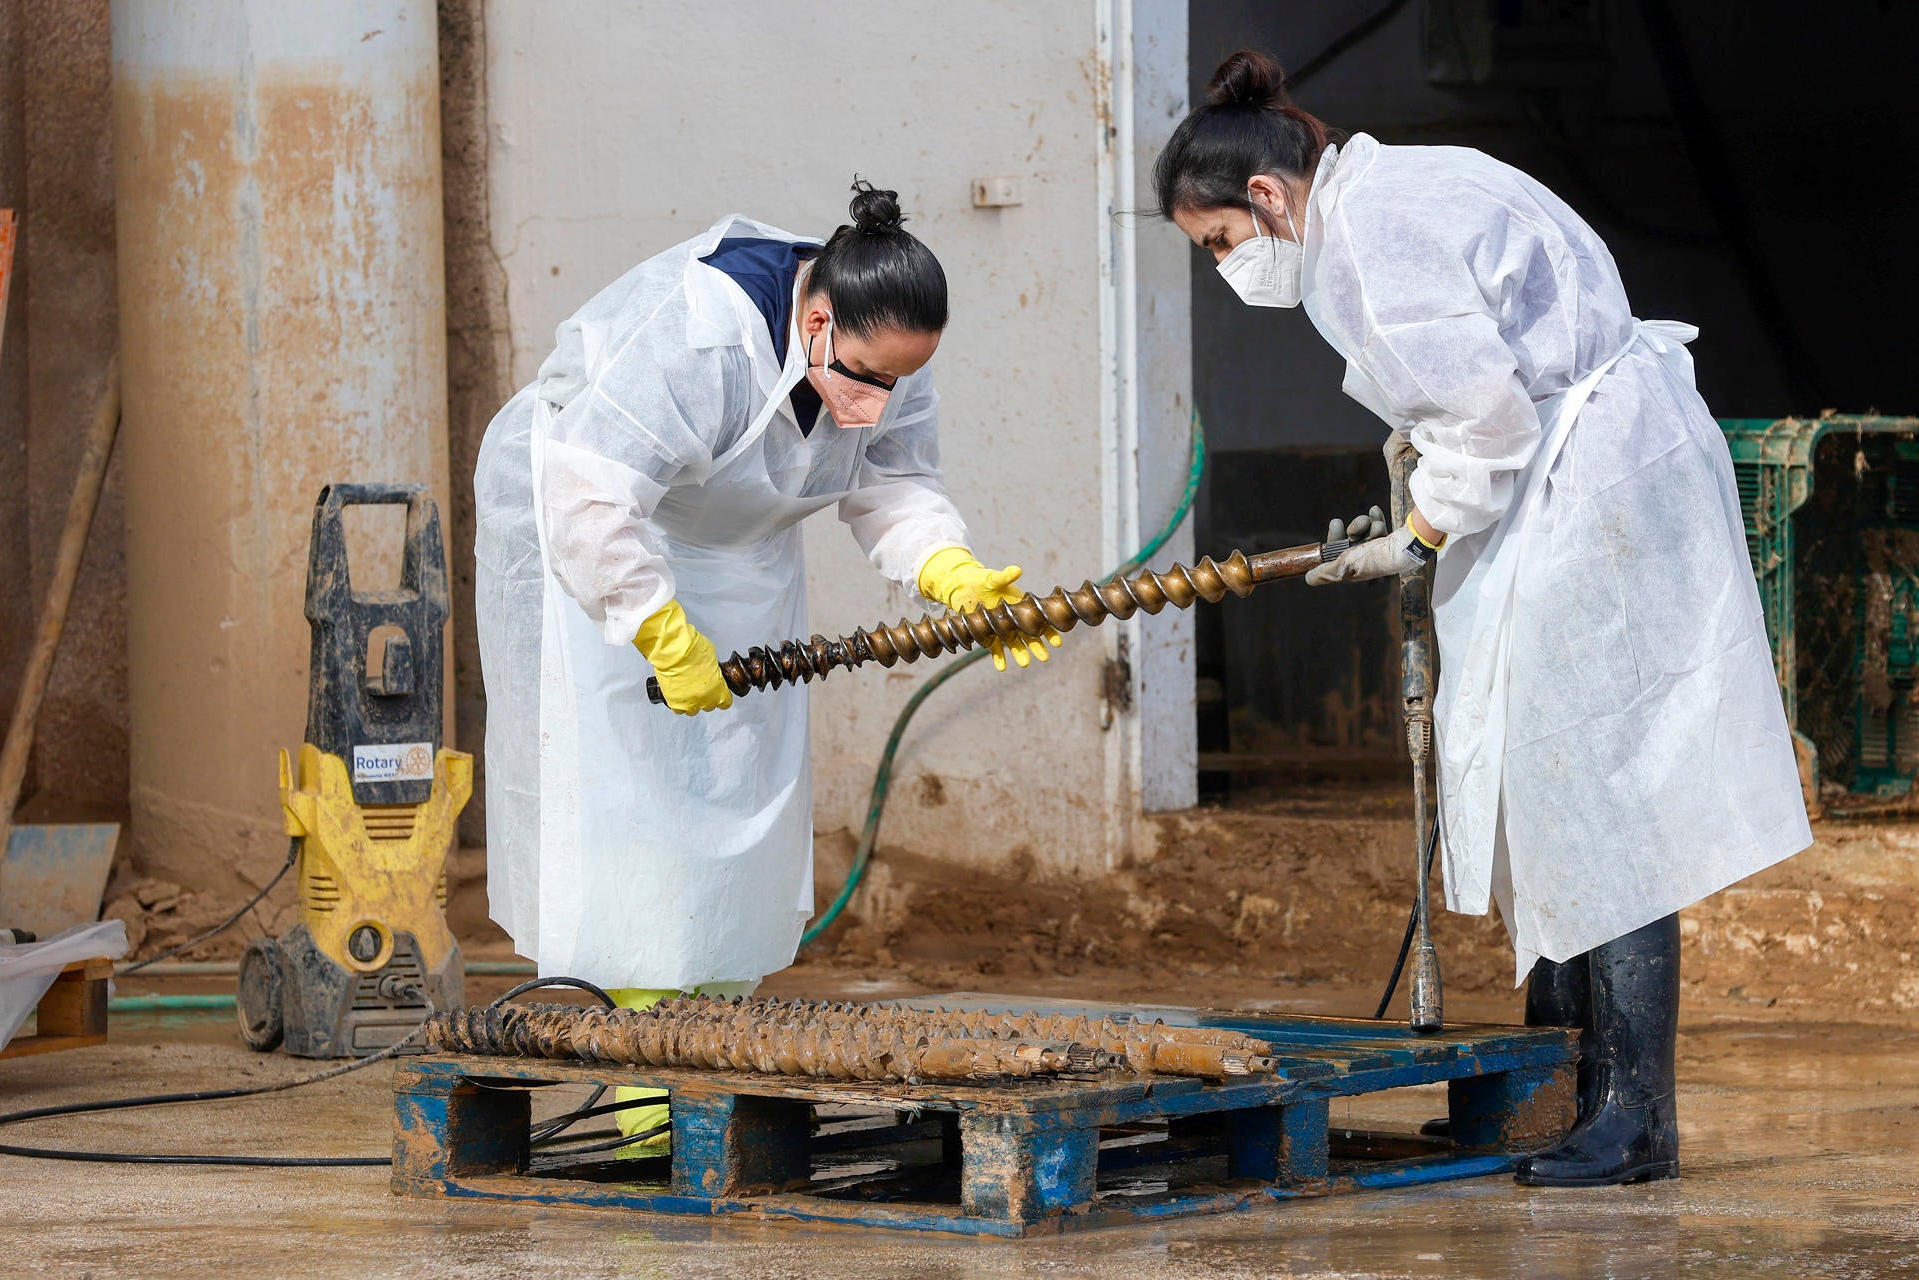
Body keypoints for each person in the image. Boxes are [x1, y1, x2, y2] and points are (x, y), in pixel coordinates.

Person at [1153, 51, 1811, 1187]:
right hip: (1579, 461)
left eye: (1217, 243)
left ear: (1265, 195)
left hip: (1586, 474)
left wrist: (1420, 528)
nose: (1227, 268)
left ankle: (1631, 1114)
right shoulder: (1387, 189)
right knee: (1549, 775)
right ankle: (1559, 1072)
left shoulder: (1363, 238)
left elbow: (1488, 415)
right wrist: (1433, 492)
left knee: (1603, 792)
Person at [472, 181, 1057, 1154]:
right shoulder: (700, 336)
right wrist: (653, 623)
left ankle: (718, 1023)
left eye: (896, 384)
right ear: (815, 318)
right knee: (627, 792)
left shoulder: (885, 354)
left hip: (741, 549)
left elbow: (893, 481)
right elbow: (589, 489)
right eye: (865, 376)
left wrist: (947, 568)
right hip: (605, 532)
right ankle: (641, 1074)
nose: (877, 401)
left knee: (743, 780)